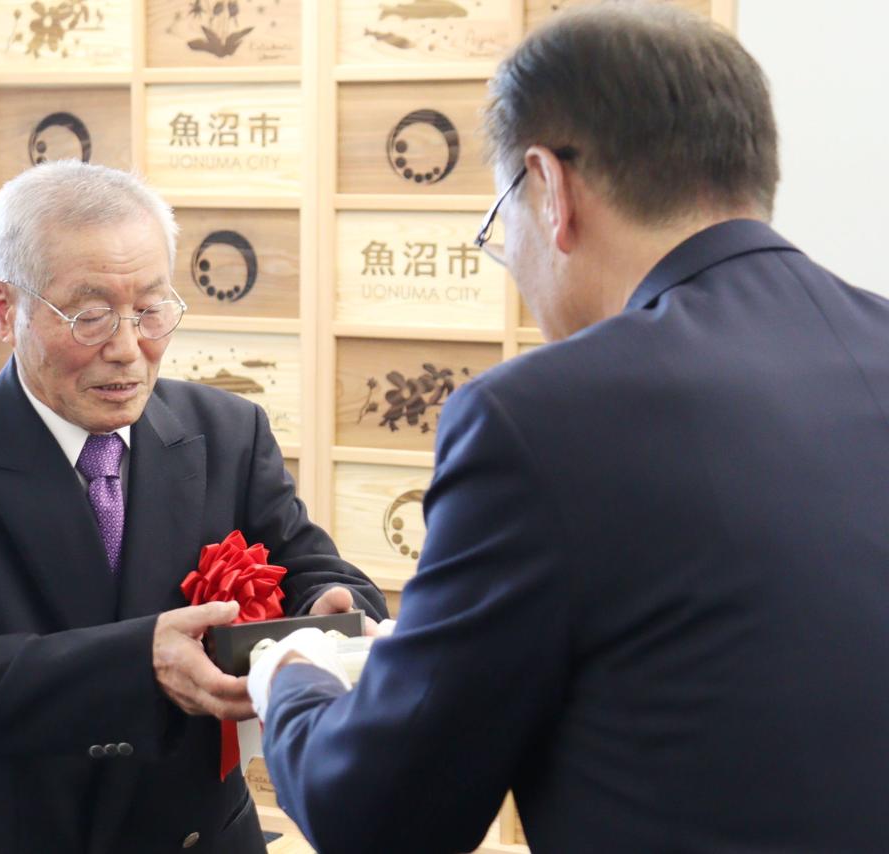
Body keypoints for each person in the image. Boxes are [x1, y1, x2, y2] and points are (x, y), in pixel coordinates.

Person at [249, 4, 889, 853]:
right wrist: (435, 652)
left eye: (497, 221)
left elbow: (379, 815)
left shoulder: (538, 416)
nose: (509, 257)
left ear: (549, 187)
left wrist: (292, 680)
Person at [0, 161, 387, 854]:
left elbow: (314, 570)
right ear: (2, 309)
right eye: (91, 315)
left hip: (196, 832)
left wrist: (330, 611)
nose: (129, 350)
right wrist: (143, 661)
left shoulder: (227, 431)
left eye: (151, 310)